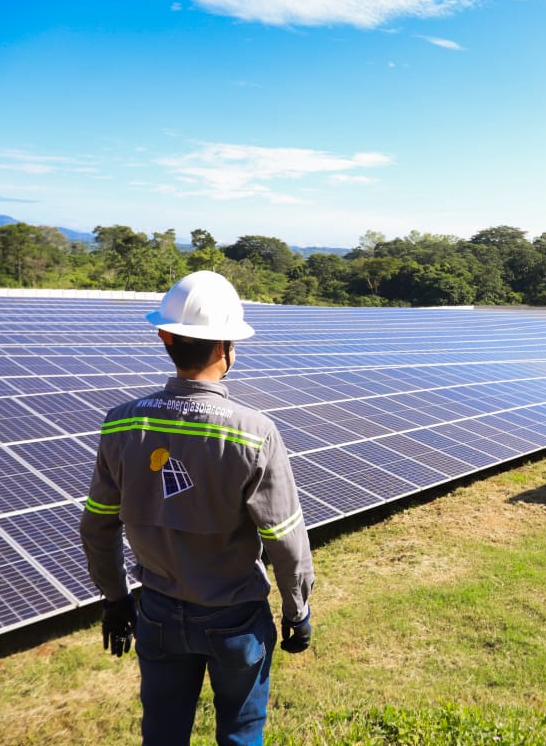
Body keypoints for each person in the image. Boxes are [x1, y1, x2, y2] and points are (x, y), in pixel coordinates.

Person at [80, 270, 315, 746]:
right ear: (227, 347)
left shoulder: (120, 423)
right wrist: (297, 609)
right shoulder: (254, 432)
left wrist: (115, 598)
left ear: (164, 337)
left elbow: (97, 527)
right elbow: (284, 539)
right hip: (236, 619)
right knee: (241, 732)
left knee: (163, 734)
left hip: (159, 614)